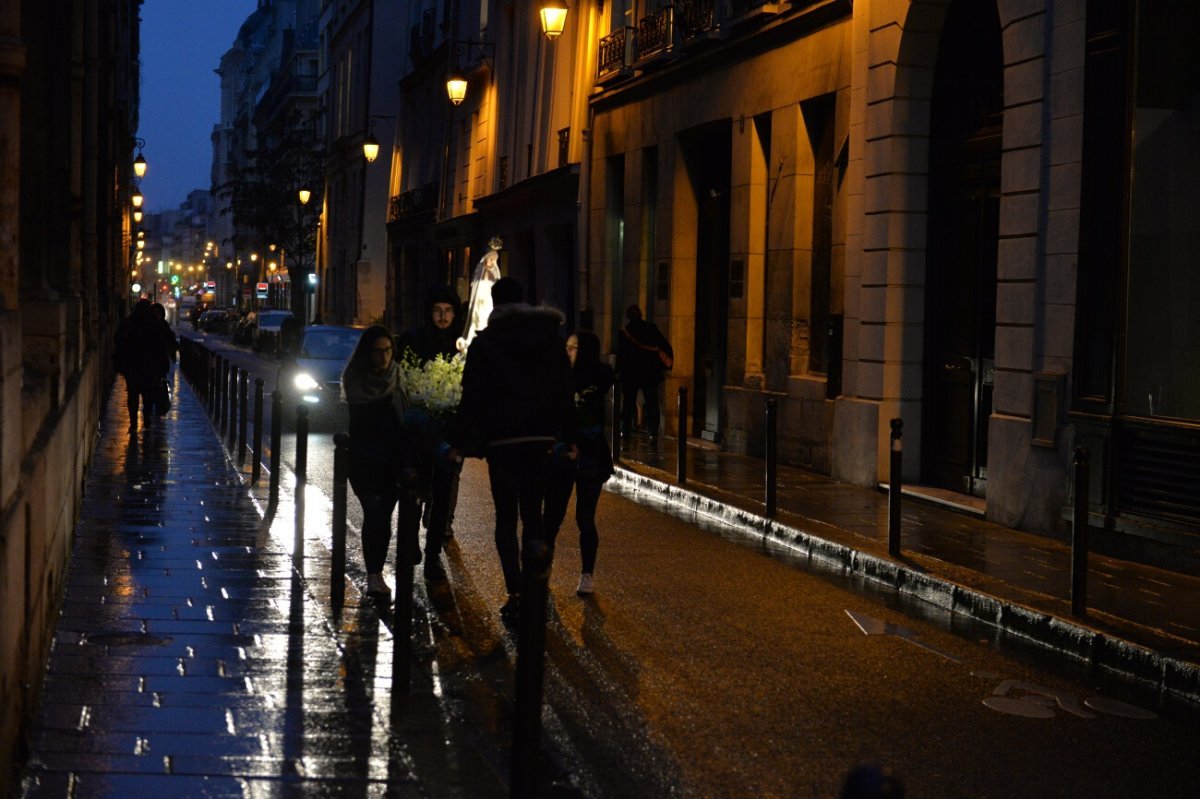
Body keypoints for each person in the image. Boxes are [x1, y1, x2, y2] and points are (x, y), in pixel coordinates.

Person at [447, 277, 577, 622]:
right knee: (533, 514)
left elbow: (471, 397)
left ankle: (516, 590)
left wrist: (459, 443)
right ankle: (535, 584)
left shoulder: (486, 343)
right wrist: (572, 437)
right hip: (541, 440)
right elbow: (565, 391)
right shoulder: (550, 341)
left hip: (502, 440)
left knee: (506, 517)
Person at [341, 325, 421, 598]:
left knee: (384, 517)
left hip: (394, 460)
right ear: (367, 353)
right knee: (374, 514)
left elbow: (409, 419)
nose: (384, 357)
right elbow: (359, 420)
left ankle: (380, 570)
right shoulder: (356, 379)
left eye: (388, 350)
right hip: (365, 459)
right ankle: (374, 575)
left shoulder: (400, 377)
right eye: (377, 352)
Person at [398, 284, 464, 580]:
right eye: (438, 310)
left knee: (442, 495)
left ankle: (433, 552)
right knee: (412, 490)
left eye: (448, 311)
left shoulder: (461, 343)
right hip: (416, 430)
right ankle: (410, 542)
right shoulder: (413, 340)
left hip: (449, 431)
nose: (443, 316)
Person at [544, 329, 615, 595]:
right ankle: (544, 567)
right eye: (567, 347)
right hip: (563, 454)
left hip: (590, 455)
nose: (568, 352)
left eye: (573, 348)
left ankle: (587, 574)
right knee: (552, 516)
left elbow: (594, 416)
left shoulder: (597, 379)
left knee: (585, 517)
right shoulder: (559, 378)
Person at [614, 304, 673, 445]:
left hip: (631, 374)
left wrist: (618, 372)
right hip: (649, 373)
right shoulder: (651, 328)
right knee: (652, 404)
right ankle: (653, 433)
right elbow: (664, 346)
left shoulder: (625, 332)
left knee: (628, 404)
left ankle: (625, 430)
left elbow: (621, 355)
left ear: (628, 317)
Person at [113, 298, 175, 430]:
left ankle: (134, 423)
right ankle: (146, 420)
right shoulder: (155, 324)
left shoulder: (130, 322)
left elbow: (117, 339)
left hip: (132, 365)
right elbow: (167, 341)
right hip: (149, 366)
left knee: (133, 395)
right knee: (148, 395)